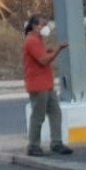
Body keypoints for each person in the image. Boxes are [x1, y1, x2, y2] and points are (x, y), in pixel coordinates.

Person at [23, 14, 73, 157]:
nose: (45, 27)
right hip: (38, 85)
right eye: (42, 24)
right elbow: (44, 61)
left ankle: (56, 143)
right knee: (38, 116)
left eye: (46, 24)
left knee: (55, 112)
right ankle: (33, 146)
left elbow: (42, 56)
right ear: (34, 26)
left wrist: (50, 51)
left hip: (46, 83)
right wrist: (58, 49)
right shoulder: (32, 40)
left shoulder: (38, 40)